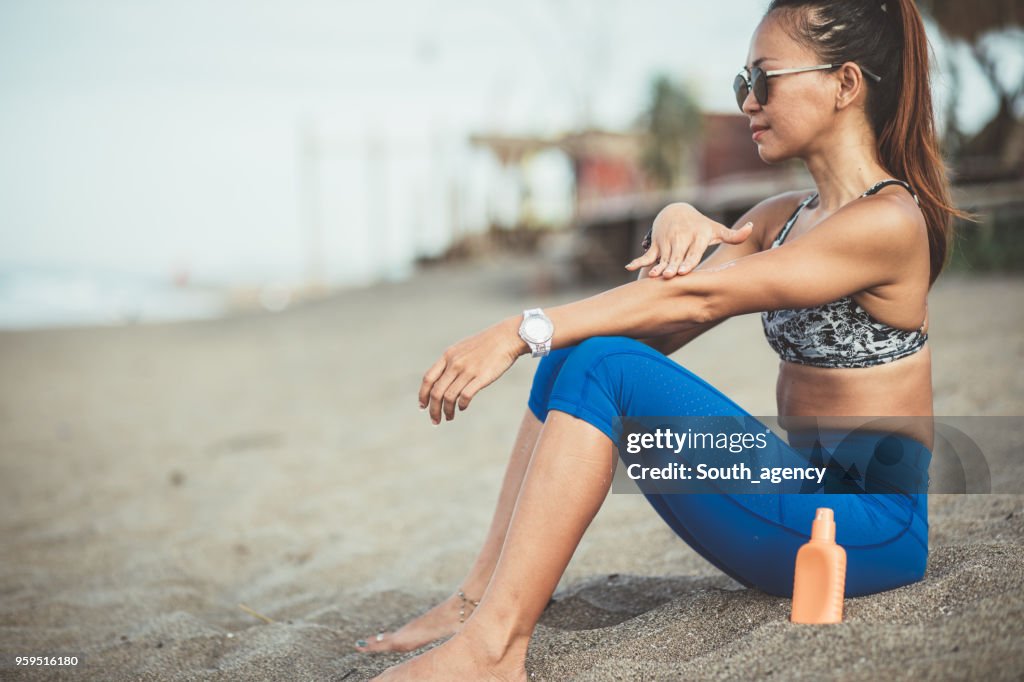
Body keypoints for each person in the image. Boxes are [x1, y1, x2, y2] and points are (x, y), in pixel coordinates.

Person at [357, 0, 969, 678]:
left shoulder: (888, 223)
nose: (747, 102)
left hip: (866, 531)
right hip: (795, 504)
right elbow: (668, 314)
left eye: (764, 80)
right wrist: (673, 216)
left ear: (845, 84)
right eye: (742, 84)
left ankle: (494, 651)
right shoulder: (781, 218)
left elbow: (699, 293)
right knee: (578, 359)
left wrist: (519, 329)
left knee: (600, 362)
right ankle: (478, 601)